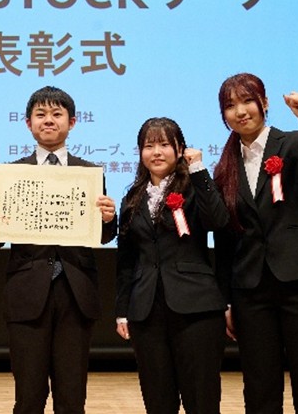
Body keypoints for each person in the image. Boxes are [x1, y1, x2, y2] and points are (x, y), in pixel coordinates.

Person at [0, 85, 118, 414]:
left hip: (76, 293)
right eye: (40, 114)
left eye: (56, 114)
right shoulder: (11, 174)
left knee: (72, 398)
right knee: (28, 397)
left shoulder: (89, 173)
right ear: (28, 123)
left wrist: (110, 218)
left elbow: (104, 236)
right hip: (27, 294)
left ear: (72, 122)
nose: (48, 120)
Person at [212, 73, 298, 414]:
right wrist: (226, 300)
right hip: (251, 291)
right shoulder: (225, 168)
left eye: (247, 101)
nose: (240, 111)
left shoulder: (296, 143)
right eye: (230, 105)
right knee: (259, 389)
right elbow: (226, 239)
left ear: (265, 103)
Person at [114, 117, 230, 414]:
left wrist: (199, 169)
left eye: (165, 144)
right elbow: (126, 259)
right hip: (146, 309)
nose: (156, 152)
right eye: (149, 146)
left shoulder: (195, 187)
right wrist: (122, 310)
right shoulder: (131, 198)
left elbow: (218, 221)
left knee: (201, 398)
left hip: (197, 307)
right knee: (157, 399)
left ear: (180, 149)